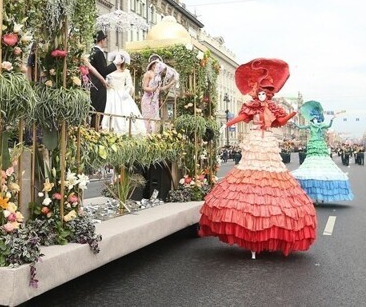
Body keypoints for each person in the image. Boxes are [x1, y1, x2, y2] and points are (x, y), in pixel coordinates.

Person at [199, 58, 317, 258]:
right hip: (255, 143)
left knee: (271, 181)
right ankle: (250, 234)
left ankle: (267, 231)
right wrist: (225, 125)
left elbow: (280, 121)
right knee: (248, 178)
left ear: (269, 94)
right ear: (257, 92)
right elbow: (240, 118)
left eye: (266, 92)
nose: (262, 95)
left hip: (268, 144)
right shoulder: (252, 107)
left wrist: (293, 114)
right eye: (260, 92)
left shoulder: (273, 108)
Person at [291, 102, 353, 202]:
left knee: (323, 163)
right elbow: (300, 127)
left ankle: (321, 191)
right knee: (311, 165)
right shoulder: (310, 125)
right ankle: (313, 192)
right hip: (313, 145)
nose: (315, 119)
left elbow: (328, 125)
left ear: (319, 118)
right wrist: (294, 122)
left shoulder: (321, 125)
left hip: (320, 145)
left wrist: (332, 119)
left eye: (316, 117)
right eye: (313, 117)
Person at [100, 51, 146, 135]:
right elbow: (106, 83)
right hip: (111, 93)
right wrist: (108, 83)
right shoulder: (110, 70)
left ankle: (126, 130)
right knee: (111, 110)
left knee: (125, 111)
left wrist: (127, 92)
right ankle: (110, 129)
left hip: (122, 94)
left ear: (122, 60)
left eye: (120, 58)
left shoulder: (126, 72)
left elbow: (129, 85)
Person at [89, 30, 119, 128]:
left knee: (94, 109)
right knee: (99, 109)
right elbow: (103, 71)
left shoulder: (92, 51)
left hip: (93, 84)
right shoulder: (98, 53)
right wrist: (115, 63)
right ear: (101, 40)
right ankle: (95, 130)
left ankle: (94, 129)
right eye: (105, 39)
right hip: (98, 85)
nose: (106, 41)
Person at [141, 55, 175, 133]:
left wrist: (171, 83)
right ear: (151, 65)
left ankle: (153, 137)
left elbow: (160, 88)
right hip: (147, 99)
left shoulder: (158, 76)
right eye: (154, 64)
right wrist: (152, 89)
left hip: (155, 100)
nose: (156, 66)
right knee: (147, 118)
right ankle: (146, 135)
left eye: (157, 65)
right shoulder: (148, 73)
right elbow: (144, 87)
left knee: (154, 119)